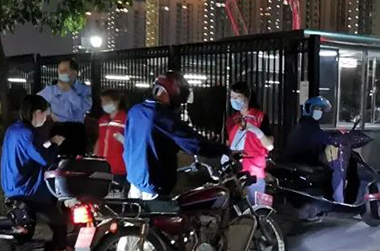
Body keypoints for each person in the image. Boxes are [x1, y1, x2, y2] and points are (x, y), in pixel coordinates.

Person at [0, 95, 71, 251]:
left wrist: (49, 141)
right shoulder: (28, 134)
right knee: (59, 225)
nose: (45, 119)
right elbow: (44, 158)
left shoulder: (13, 130)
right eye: (45, 115)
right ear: (37, 113)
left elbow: (33, 150)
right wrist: (55, 144)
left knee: (25, 230)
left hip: (13, 188)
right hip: (29, 191)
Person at [123, 71, 227, 199]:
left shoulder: (135, 111)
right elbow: (195, 144)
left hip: (135, 180)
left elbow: (137, 141)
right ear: (172, 94)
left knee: (135, 212)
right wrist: (224, 150)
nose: (179, 105)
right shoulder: (162, 116)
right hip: (154, 184)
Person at [283, 96, 345, 201]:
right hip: (306, 163)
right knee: (336, 170)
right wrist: (338, 139)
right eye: (317, 109)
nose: (319, 112)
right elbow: (325, 139)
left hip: (299, 161)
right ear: (308, 109)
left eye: (321, 110)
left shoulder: (303, 124)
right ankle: (338, 200)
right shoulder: (309, 126)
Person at [226, 82, 274, 204]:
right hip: (234, 172)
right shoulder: (232, 120)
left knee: (256, 208)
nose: (234, 100)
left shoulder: (260, 117)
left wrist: (256, 131)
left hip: (254, 172)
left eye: (238, 97)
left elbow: (269, 145)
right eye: (232, 97)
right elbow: (228, 143)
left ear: (247, 97)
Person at [38, 58, 92, 156]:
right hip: (58, 128)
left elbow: (85, 106)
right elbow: (35, 101)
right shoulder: (52, 90)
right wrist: (49, 111)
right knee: (56, 160)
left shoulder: (84, 89)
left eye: (64, 70)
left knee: (76, 162)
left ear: (74, 73)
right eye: (59, 71)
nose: (61, 73)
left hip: (77, 130)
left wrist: (68, 91)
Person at [95, 89, 128, 195]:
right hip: (102, 167)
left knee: (117, 196)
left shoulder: (126, 119)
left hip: (119, 168)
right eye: (102, 101)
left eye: (107, 101)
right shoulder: (103, 120)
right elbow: (100, 138)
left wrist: (123, 140)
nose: (103, 104)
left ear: (117, 101)